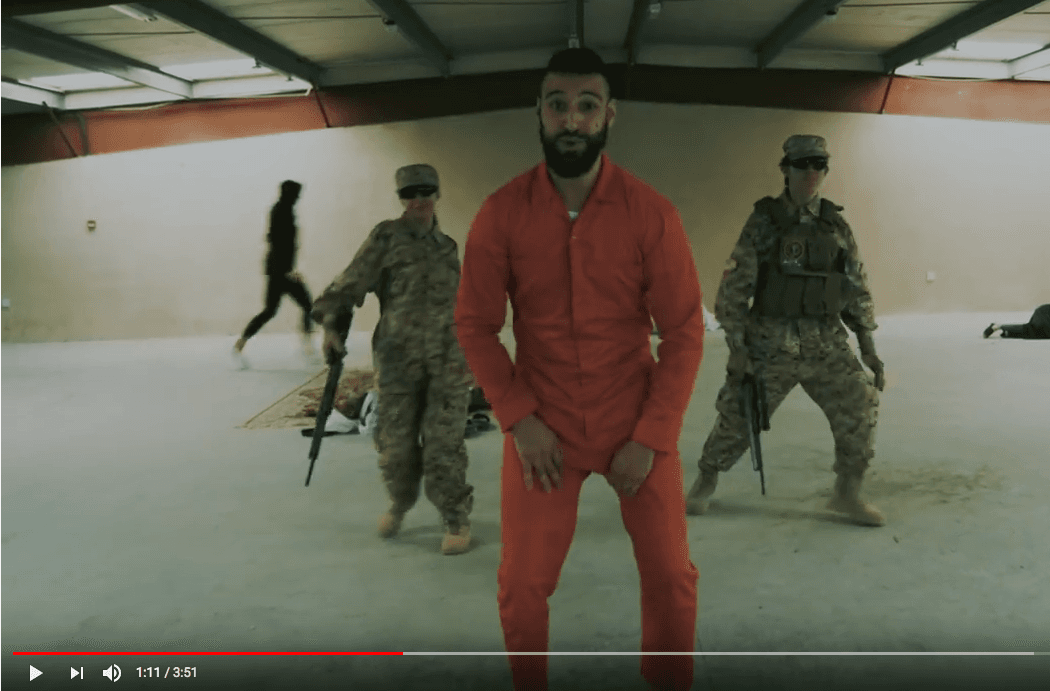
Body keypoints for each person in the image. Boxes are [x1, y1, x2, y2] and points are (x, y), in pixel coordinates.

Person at [454, 48, 704, 691]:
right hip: (545, 427)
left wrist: (652, 436)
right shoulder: (501, 213)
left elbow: (683, 331)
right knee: (520, 587)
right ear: (539, 114)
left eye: (586, 105)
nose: (572, 119)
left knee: (672, 578)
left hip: (635, 417)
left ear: (609, 116)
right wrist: (518, 421)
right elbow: (475, 326)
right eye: (558, 105)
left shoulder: (651, 213)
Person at [684, 135, 887, 527]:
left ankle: (847, 494)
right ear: (785, 169)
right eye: (802, 164)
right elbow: (735, 287)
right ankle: (706, 480)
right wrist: (737, 347)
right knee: (738, 416)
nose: (811, 172)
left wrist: (868, 346)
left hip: (825, 341)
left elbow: (855, 287)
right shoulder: (764, 222)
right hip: (770, 340)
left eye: (819, 165)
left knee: (860, 405)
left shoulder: (836, 225)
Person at [310, 164, 475, 556]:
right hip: (398, 362)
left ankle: (455, 516)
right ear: (401, 198)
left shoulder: (448, 247)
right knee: (395, 445)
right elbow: (349, 283)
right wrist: (332, 328)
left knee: (444, 444)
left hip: (448, 362)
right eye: (410, 193)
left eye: (426, 191)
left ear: (437, 194)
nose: (418, 200)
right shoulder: (386, 237)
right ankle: (400, 502)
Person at [233, 180, 316, 367]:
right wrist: (287, 271)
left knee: (272, 310)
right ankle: (306, 346)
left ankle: (240, 344)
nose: (298, 198)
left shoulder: (282, 210)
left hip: (278, 270)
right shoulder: (281, 212)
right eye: (296, 194)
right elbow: (278, 242)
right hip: (280, 271)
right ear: (291, 195)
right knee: (305, 305)